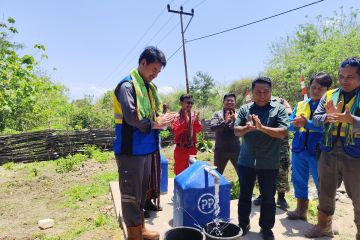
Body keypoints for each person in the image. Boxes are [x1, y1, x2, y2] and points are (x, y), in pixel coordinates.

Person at [113, 46, 176, 240]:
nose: (156, 74)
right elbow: (132, 118)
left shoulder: (148, 88)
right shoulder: (127, 86)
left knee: (141, 194)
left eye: (159, 71)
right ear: (143, 63)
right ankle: (134, 235)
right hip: (130, 150)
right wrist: (156, 123)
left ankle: (140, 229)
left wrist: (163, 118)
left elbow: (151, 116)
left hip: (147, 149)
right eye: (154, 69)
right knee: (131, 196)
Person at [306, 57, 360, 239]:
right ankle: (323, 227)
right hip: (328, 150)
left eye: (350, 77)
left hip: (356, 154)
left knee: (359, 196)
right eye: (341, 76)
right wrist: (327, 118)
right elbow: (316, 118)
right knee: (326, 190)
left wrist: (352, 120)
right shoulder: (329, 95)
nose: (344, 80)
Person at [234, 77, 289, 240]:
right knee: (244, 195)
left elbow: (283, 132)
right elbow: (236, 131)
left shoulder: (279, 109)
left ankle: (266, 228)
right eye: (258, 92)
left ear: (271, 92)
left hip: (269, 162)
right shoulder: (245, 109)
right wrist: (247, 128)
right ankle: (243, 224)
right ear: (252, 92)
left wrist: (261, 128)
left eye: (266, 92)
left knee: (268, 197)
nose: (262, 95)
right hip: (246, 160)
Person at [286, 72, 332, 221]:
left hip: (318, 152)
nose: (316, 90)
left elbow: (327, 128)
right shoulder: (301, 104)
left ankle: (324, 221)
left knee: (322, 185)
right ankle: (301, 210)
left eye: (320, 88)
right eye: (314, 87)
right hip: (299, 150)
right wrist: (294, 124)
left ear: (327, 91)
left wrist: (307, 123)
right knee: (298, 180)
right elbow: (289, 125)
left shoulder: (329, 107)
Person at [253, 96, 292, 210]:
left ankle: (281, 197)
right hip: (264, 144)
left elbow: (289, 112)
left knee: (282, 170)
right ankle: (262, 195)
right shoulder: (258, 103)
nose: (263, 93)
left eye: (266, 90)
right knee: (262, 169)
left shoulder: (281, 100)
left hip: (281, 144)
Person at [209, 93, 240, 176]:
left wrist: (235, 121)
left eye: (232, 100)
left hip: (236, 150)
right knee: (216, 176)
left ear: (235, 103)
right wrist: (224, 122)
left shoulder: (239, 115)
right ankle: (216, 189)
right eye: (227, 100)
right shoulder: (217, 114)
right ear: (224, 102)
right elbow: (212, 127)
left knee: (242, 175)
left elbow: (242, 128)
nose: (229, 102)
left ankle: (242, 189)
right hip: (220, 151)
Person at [172, 94, 202, 175]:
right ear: (181, 103)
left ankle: (191, 188)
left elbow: (198, 130)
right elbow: (175, 131)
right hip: (180, 150)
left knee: (192, 172)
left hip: (192, 149)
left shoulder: (194, 115)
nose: (190, 105)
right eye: (188, 103)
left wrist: (195, 122)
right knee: (179, 173)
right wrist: (185, 122)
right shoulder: (176, 116)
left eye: (192, 103)